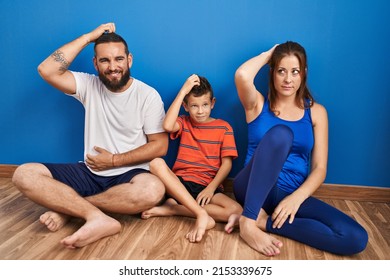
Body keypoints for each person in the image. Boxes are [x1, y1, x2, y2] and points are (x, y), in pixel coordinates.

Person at [11, 23, 168, 249]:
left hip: (130, 175)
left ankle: (71, 211)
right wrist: (88, 37)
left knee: (153, 189)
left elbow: (160, 146)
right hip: (89, 170)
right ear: (95, 63)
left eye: (118, 59)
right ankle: (97, 217)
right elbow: (47, 70)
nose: (113, 67)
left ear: (129, 60)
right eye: (104, 60)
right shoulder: (88, 84)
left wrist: (114, 160)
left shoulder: (148, 95)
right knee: (23, 174)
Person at [230, 41, 368, 256]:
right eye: (281, 71)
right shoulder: (256, 104)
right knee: (281, 134)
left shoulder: (317, 113)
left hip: (290, 193)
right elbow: (242, 75)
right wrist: (269, 55)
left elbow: (320, 168)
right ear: (272, 72)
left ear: (303, 73)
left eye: (294, 72)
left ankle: (263, 222)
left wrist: (297, 197)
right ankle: (248, 220)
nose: (287, 79)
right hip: (251, 189)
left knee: (355, 238)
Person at [141, 74, 243, 242]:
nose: (200, 111)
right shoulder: (183, 121)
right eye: (194, 106)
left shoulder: (224, 128)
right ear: (186, 106)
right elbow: (167, 125)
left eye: (204, 105)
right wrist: (183, 91)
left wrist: (211, 188)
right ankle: (196, 211)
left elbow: (226, 164)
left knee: (237, 211)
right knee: (156, 163)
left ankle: (174, 209)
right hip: (179, 183)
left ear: (213, 103)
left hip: (207, 184)